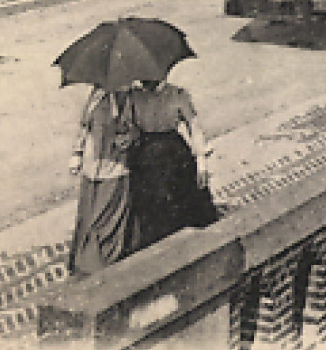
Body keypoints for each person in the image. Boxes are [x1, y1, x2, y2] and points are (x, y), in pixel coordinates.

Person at [124, 79, 219, 252]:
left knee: (186, 205)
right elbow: (130, 130)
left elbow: (195, 128)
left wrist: (201, 164)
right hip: (147, 158)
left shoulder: (178, 94)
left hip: (174, 156)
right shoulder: (133, 97)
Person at [68, 86, 136, 276]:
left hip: (115, 169)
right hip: (92, 170)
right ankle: (87, 263)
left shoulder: (129, 99)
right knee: (89, 218)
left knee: (108, 219)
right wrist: (77, 153)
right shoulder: (95, 98)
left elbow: (136, 129)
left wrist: (128, 137)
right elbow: (84, 128)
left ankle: (106, 264)